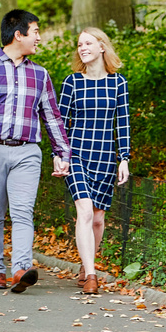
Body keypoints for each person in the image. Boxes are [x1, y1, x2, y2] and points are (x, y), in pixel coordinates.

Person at [0, 9, 70, 293]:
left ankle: (21, 268)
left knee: (23, 212)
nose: (39, 38)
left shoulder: (41, 74)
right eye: (35, 32)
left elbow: (52, 117)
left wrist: (62, 153)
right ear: (18, 34)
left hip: (27, 152)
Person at [58, 27, 131, 295]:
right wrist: (59, 155)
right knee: (85, 212)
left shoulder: (118, 83)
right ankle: (91, 275)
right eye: (79, 44)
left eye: (88, 43)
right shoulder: (72, 82)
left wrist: (124, 158)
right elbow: (60, 124)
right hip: (76, 154)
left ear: (102, 47)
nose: (82, 48)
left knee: (98, 220)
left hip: (104, 157)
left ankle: (86, 264)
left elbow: (122, 124)